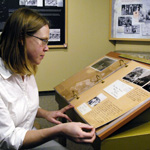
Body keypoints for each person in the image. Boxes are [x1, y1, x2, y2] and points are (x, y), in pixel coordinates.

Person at [0, 7, 96, 150]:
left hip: (27, 136)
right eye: (43, 41)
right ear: (20, 38)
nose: (47, 48)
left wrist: (45, 113)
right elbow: (8, 139)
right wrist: (60, 130)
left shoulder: (25, 68)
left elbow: (19, 105)